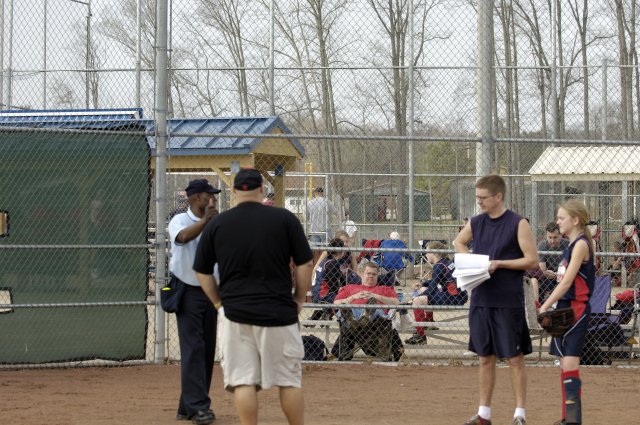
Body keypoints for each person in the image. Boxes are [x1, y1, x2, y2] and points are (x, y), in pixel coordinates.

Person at [193, 168, 314, 425]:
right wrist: (298, 298)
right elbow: (305, 264)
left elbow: (202, 271)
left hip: (235, 312)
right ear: (261, 189)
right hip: (279, 311)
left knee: (243, 381)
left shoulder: (218, 223)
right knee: (288, 381)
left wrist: (219, 303)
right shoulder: (284, 218)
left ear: (233, 191)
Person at [453, 174, 539, 425]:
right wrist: (473, 261)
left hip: (507, 300)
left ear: (498, 196)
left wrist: (499, 263)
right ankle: (484, 414)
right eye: (477, 197)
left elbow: (532, 260)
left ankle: (519, 414)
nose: (479, 202)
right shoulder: (477, 222)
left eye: (483, 198)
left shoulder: (517, 223)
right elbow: (459, 241)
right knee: (485, 356)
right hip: (481, 298)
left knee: (514, 358)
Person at [167, 178, 221, 425]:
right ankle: (198, 407)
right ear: (196, 197)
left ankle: (187, 406)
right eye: (209, 195)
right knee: (193, 348)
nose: (213, 199)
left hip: (210, 292)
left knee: (207, 349)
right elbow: (182, 237)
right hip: (187, 290)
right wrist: (205, 222)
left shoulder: (216, 222)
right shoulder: (179, 220)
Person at [538, 199, 595, 425]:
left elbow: (567, 282)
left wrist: (545, 305)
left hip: (576, 308)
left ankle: (573, 420)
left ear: (575, 220)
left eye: (562, 218)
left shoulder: (581, 245)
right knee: (564, 363)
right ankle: (568, 418)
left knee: (570, 364)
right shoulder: (571, 245)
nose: (558, 221)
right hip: (565, 307)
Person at [330, 262, 404, 361]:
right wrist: (353, 297)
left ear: (377, 276)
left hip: (377, 320)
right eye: (368, 273)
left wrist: (376, 296)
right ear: (361, 274)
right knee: (346, 306)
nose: (371, 276)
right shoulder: (350, 287)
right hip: (354, 314)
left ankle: (366, 314)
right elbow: (336, 303)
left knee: (374, 307)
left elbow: (397, 302)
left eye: (374, 274)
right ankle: (358, 317)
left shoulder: (385, 288)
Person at [404, 241, 468, 345]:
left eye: (427, 252)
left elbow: (432, 289)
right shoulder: (445, 262)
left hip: (454, 297)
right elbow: (435, 281)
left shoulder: (438, 266)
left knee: (417, 301)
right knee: (422, 290)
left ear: (433, 253)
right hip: (459, 295)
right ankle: (429, 323)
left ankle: (420, 336)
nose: (425, 254)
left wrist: (413, 300)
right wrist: (423, 284)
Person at [308, 238, 347, 322]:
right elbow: (333, 285)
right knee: (343, 298)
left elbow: (341, 277)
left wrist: (346, 284)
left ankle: (314, 319)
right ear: (340, 251)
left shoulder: (327, 260)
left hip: (316, 294)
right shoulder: (332, 263)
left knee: (336, 295)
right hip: (322, 295)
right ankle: (343, 321)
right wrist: (342, 291)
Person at [535, 222, 570, 303]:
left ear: (561, 235)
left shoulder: (568, 244)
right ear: (546, 235)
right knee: (541, 282)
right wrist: (547, 273)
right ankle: (541, 305)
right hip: (548, 276)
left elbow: (569, 266)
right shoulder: (542, 245)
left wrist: (558, 274)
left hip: (564, 275)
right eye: (550, 237)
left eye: (555, 237)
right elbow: (542, 269)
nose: (552, 241)